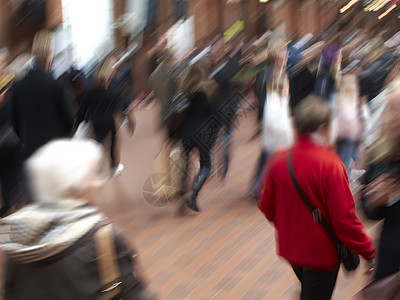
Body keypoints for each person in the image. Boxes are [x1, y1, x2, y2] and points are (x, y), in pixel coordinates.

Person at [0, 139, 152, 299]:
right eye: (94, 175)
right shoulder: (102, 236)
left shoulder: (17, 239)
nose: (100, 183)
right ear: (74, 188)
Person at [259, 96, 375, 300]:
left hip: (292, 247)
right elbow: (345, 221)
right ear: (323, 128)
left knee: (310, 290)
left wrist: (288, 223)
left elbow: (267, 206)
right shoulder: (329, 164)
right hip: (321, 253)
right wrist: (368, 250)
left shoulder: (279, 159)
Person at [10, 30, 74, 161]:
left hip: (31, 154)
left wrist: (25, 139)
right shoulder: (56, 86)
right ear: (49, 54)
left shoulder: (17, 88)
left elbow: (15, 123)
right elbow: (69, 122)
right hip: (56, 153)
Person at [361, 78, 400, 281]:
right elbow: (369, 212)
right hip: (391, 258)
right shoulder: (382, 154)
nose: (394, 117)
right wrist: (375, 201)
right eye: (391, 109)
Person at [177, 64, 218, 213]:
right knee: (206, 164)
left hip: (186, 133)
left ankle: (182, 189)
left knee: (185, 162)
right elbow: (213, 115)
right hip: (201, 134)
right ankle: (193, 194)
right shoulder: (205, 93)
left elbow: (180, 117)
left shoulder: (183, 93)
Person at [76, 56, 124, 176]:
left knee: (96, 144)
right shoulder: (111, 95)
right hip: (108, 122)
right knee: (113, 141)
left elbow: (81, 112)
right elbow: (117, 109)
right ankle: (113, 167)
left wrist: (78, 124)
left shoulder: (89, 94)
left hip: (94, 122)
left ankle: (93, 168)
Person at [336, 74, 362, 172]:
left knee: (346, 162)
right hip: (346, 138)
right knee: (344, 163)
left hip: (348, 137)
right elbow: (348, 120)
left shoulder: (345, 100)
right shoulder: (344, 102)